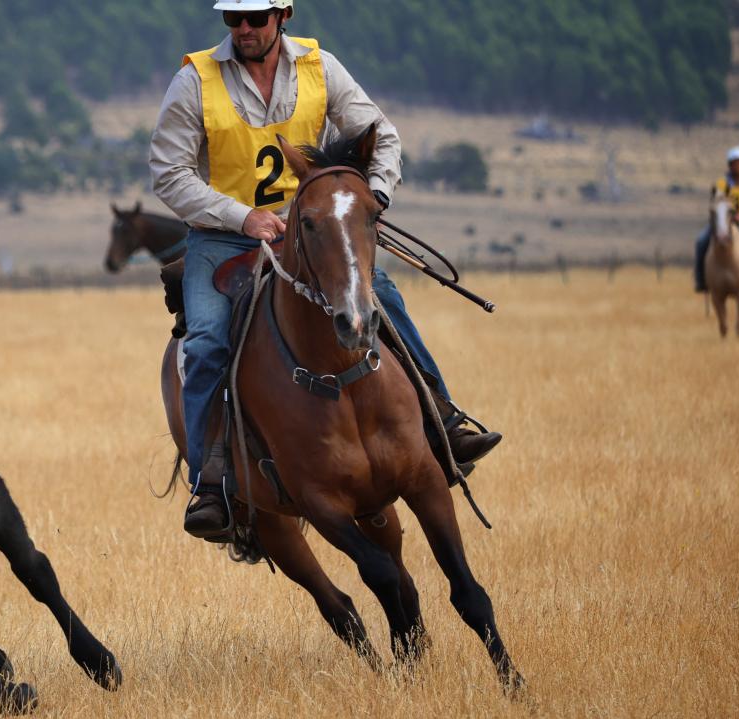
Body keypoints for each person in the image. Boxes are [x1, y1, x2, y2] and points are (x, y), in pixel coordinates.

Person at [150, 0, 501, 538]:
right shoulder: (194, 80)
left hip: (315, 236)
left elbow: (381, 135)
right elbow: (169, 173)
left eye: (255, 18)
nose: (243, 29)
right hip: (223, 241)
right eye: (232, 19)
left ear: (282, 15)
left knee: (383, 296)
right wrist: (243, 217)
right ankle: (212, 483)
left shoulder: (321, 66)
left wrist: (372, 198)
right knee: (204, 343)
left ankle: (441, 417)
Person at [694, 146, 739, 292]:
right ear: (730, 165)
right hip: (723, 221)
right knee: (701, 241)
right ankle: (701, 280)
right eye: (735, 163)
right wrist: (727, 214)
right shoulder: (721, 184)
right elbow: (717, 202)